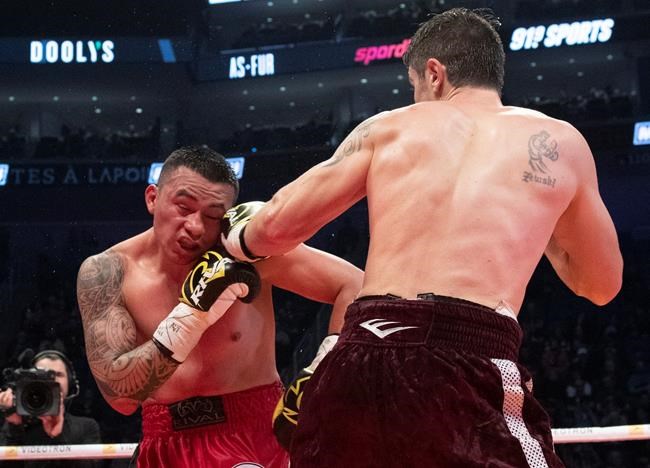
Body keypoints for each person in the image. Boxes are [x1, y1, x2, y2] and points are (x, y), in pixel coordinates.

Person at [221, 7, 624, 467]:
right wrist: (544, 218)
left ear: (434, 73)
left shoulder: (389, 127)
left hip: (362, 352)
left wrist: (237, 237)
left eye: (412, 85)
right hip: (471, 355)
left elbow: (273, 228)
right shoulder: (560, 143)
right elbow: (601, 284)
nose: (414, 98)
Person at [75, 145, 362, 468]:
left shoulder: (246, 251)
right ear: (153, 198)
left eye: (212, 215)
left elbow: (355, 285)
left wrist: (322, 375)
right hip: (165, 443)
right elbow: (121, 398)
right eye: (184, 207)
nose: (196, 226)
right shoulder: (109, 272)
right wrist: (192, 315)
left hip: (256, 436)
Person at [0, 349, 101, 468]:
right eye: (43, 374)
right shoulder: (10, 422)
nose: (52, 380)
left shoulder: (87, 427)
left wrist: (58, 436)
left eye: (58, 375)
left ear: (70, 382)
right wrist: (14, 427)